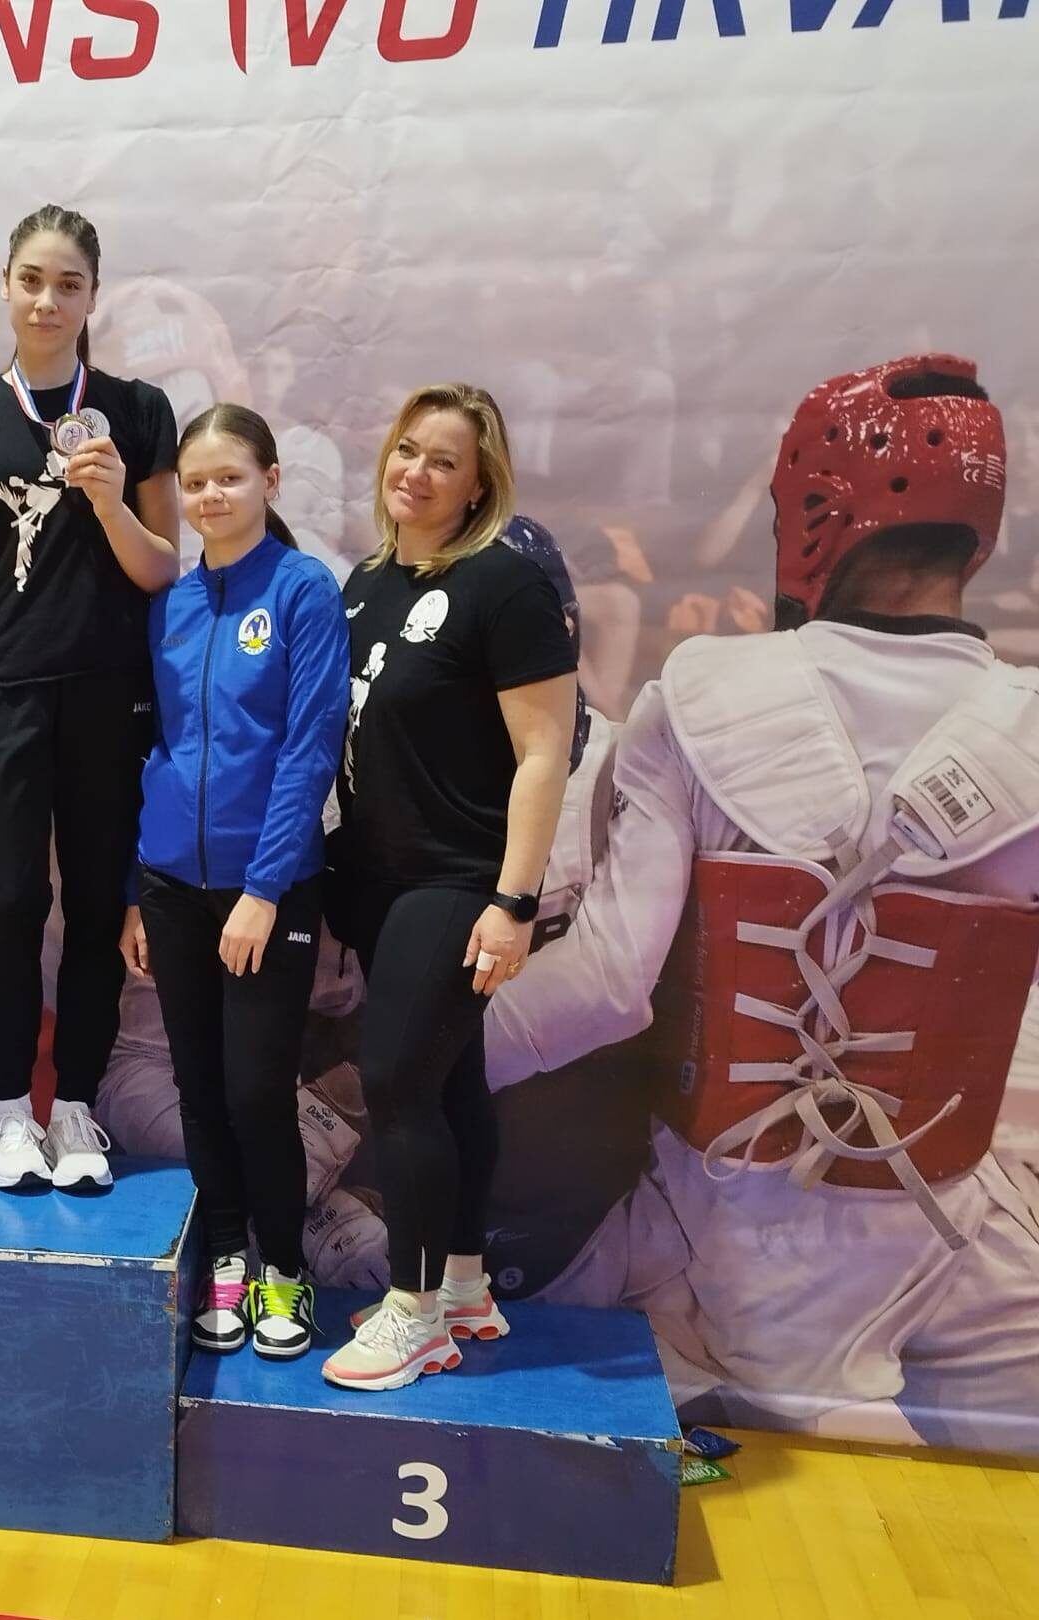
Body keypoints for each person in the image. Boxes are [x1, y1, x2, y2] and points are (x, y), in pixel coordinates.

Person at [487, 355, 1039, 1455]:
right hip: (956, 1232)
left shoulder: (707, 693)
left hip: (722, 1237)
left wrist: (411, 1062)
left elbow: (603, 989)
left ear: (813, 510)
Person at [320, 384, 578, 1392]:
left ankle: (413, 1313)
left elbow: (545, 752)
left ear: (478, 485)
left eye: (443, 460)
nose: (415, 473)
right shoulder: (366, 581)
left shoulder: (504, 587)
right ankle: (463, 1285)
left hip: (460, 880)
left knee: (393, 1082)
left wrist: (513, 902)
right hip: (378, 880)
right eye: (406, 451)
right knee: (447, 1077)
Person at [0, 204, 181, 1193]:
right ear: (5, 285)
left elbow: (161, 566)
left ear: (91, 297)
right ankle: (7, 1113)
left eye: (67, 284)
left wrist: (109, 500)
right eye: (31, 279)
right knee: (3, 904)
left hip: (107, 692)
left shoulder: (135, 409)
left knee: (93, 900)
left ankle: (72, 1106)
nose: (46, 299)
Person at [120, 405, 348, 1357]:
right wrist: (136, 890)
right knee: (201, 1088)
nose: (211, 496)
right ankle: (223, 1254)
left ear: (270, 481)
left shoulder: (303, 590)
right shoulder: (171, 603)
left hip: (269, 889)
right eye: (196, 482)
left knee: (258, 1091)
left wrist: (263, 888)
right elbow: (158, 750)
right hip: (172, 886)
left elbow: (310, 749)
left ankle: (283, 1267)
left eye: (231, 477)